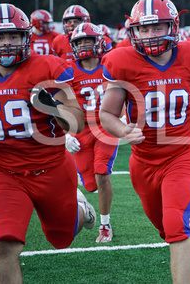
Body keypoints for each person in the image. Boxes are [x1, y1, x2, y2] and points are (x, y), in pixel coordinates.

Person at [99, 0, 190, 284]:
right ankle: (188, 220)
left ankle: (184, 224)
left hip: (183, 155)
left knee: (175, 226)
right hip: (143, 163)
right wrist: (123, 130)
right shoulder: (122, 61)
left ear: (173, 27)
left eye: (158, 27)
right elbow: (106, 114)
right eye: (144, 29)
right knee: (166, 229)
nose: (150, 35)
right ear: (134, 31)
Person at [0, 3, 95, 283]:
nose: (6, 43)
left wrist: (53, 107)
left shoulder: (49, 66)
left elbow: (77, 122)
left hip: (52, 168)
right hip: (4, 173)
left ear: (25, 37)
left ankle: (81, 209)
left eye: (13, 36)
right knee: (4, 245)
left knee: (61, 239)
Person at [66, 22, 119, 243]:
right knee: (90, 184)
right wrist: (66, 135)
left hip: (106, 126)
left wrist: (122, 117)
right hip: (82, 129)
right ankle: (87, 207)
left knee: (102, 174)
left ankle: (105, 225)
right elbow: (62, 105)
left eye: (88, 40)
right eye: (79, 42)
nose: (84, 45)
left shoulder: (111, 65)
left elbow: (123, 91)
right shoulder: (68, 70)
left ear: (99, 41)